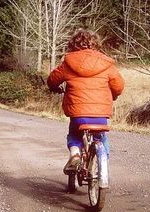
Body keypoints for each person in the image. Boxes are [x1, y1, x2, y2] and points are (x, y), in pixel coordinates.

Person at [47, 29, 124, 174]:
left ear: (73, 44)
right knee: (100, 137)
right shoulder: (106, 63)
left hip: (78, 115)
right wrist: (114, 94)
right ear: (96, 44)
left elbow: (52, 80)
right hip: (101, 115)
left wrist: (54, 87)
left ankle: (75, 154)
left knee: (74, 134)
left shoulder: (69, 63)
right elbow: (119, 86)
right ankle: (103, 167)